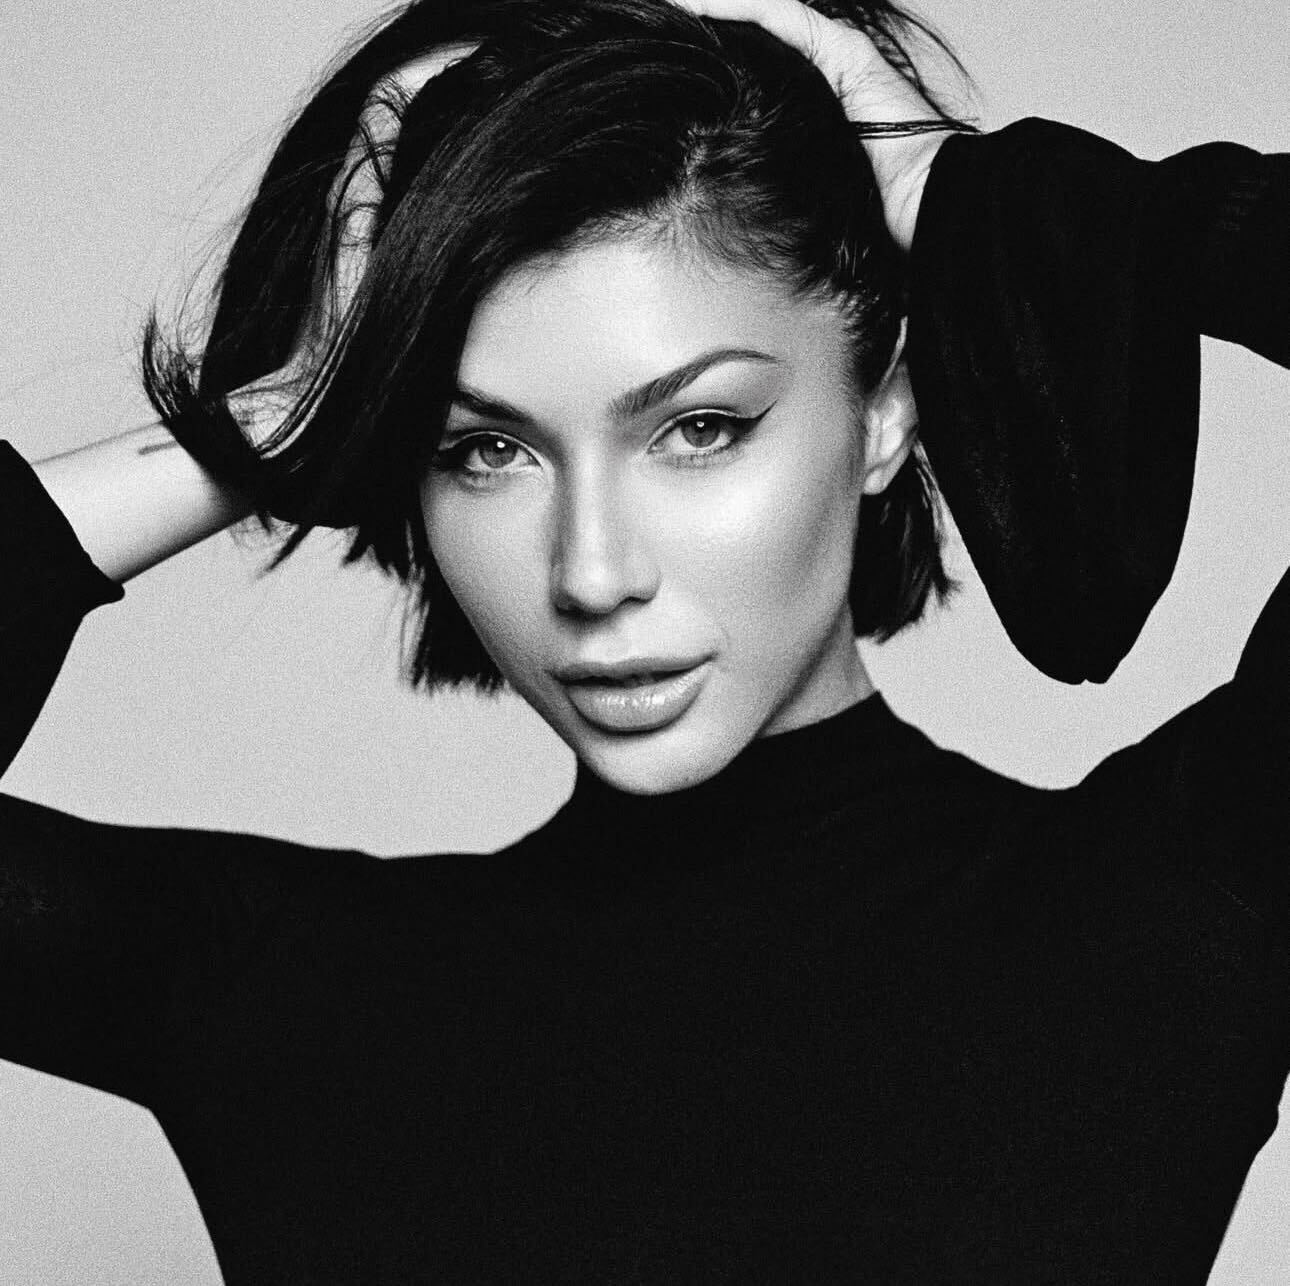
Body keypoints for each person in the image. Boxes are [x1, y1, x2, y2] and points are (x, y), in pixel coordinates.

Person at [3, 0, 1286, 1280]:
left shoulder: (1184, 898)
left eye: (699, 428)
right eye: (485, 448)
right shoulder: (276, 990)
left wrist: (947, 187)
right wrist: (269, 424)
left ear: (887, 405)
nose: (593, 571)